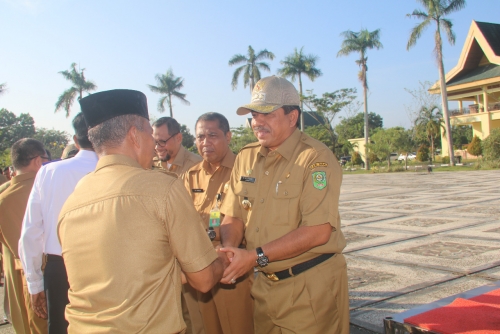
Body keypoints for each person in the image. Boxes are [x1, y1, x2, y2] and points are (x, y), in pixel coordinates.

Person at [57, 89, 229, 333]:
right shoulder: (162, 188)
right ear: (135, 136)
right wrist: (223, 259)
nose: (155, 145)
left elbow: (128, 275)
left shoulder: (73, 200)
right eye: (151, 135)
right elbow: (203, 280)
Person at [219, 76, 349, 333]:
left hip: (310, 288)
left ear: (292, 117)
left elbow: (318, 230)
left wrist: (254, 257)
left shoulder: (315, 159)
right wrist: (230, 251)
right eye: (254, 115)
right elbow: (233, 215)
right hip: (265, 286)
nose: (257, 122)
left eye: (267, 114)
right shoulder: (246, 157)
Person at [19, 113, 98, 334]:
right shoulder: (120, 171)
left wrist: (34, 283)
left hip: (60, 268)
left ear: (75, 140)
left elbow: (31, 232)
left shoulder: (49, 172)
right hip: (107, 266)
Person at [184, 112, 254, 334]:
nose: (205, 143)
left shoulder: (244, 172)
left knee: (239, 327)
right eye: (200, 137)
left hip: (233, 265)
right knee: (206, 328)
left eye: (212, 135)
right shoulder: (191, 176)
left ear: (228, 136)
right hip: (200, 267)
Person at [0, 138, 49, 334]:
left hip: (21, 279)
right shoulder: (48, 188)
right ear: (38, 161)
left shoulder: (3, 198)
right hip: (54, 274)